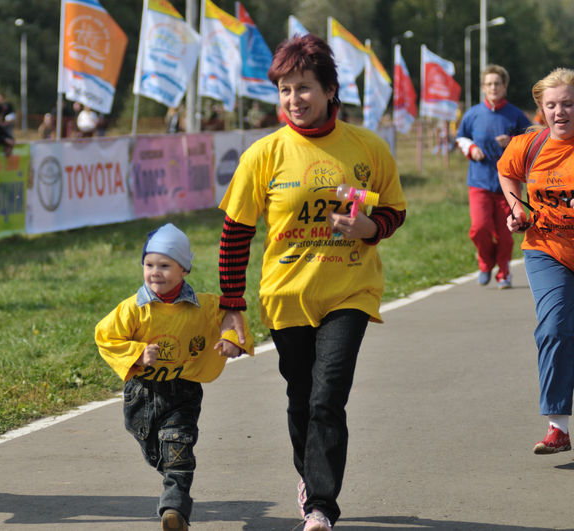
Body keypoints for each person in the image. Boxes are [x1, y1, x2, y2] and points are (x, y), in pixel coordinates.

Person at [217, 34, 407, 531]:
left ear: (328, 90)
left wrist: (370, 228)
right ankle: (309, 475)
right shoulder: (264, 154)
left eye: (303, 87)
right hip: (286, 297)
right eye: (284, 89)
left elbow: (393, 209)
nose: (293, 99)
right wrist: (232, 306)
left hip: (350, 290)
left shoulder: (366, 147)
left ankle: (321, 505)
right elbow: (235, 234)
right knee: (301, 396)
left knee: (328, 396)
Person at [94, 223, 253, 531]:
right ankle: (171, 477)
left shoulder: (203, 306)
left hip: (183, 391)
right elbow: (105, 336)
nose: (155, 272)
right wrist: (137, 353)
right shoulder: (133, 309)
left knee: (179, 449)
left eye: (165, 266)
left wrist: (231, 339)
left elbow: (228, 317)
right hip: (141, 393)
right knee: (158, 452)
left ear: (184, 270)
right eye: (149, 265)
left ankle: (174, 509)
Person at [497, 67, 574, 455]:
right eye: (552, 106)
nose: (560, 112)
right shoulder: (528, 146)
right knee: (554, 328)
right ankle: (558, 427)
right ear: (541, 110)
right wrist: (517, 209)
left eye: (568, 104)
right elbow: (506, 171)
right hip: (547, 248)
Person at [456, 64, 532, 289]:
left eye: (497, 83)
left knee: (506, 234)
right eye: (488, 84)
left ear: (505, 86)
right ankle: (485, 263)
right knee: (479, 228)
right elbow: (461, 137)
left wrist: (512, 142)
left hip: (508, 185)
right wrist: (471, 149)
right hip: (479, 182)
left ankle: (504, 273)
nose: (493, 88)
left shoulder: (516, 115)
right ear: (483, 87)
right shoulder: (473, 114)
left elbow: (531, 140)